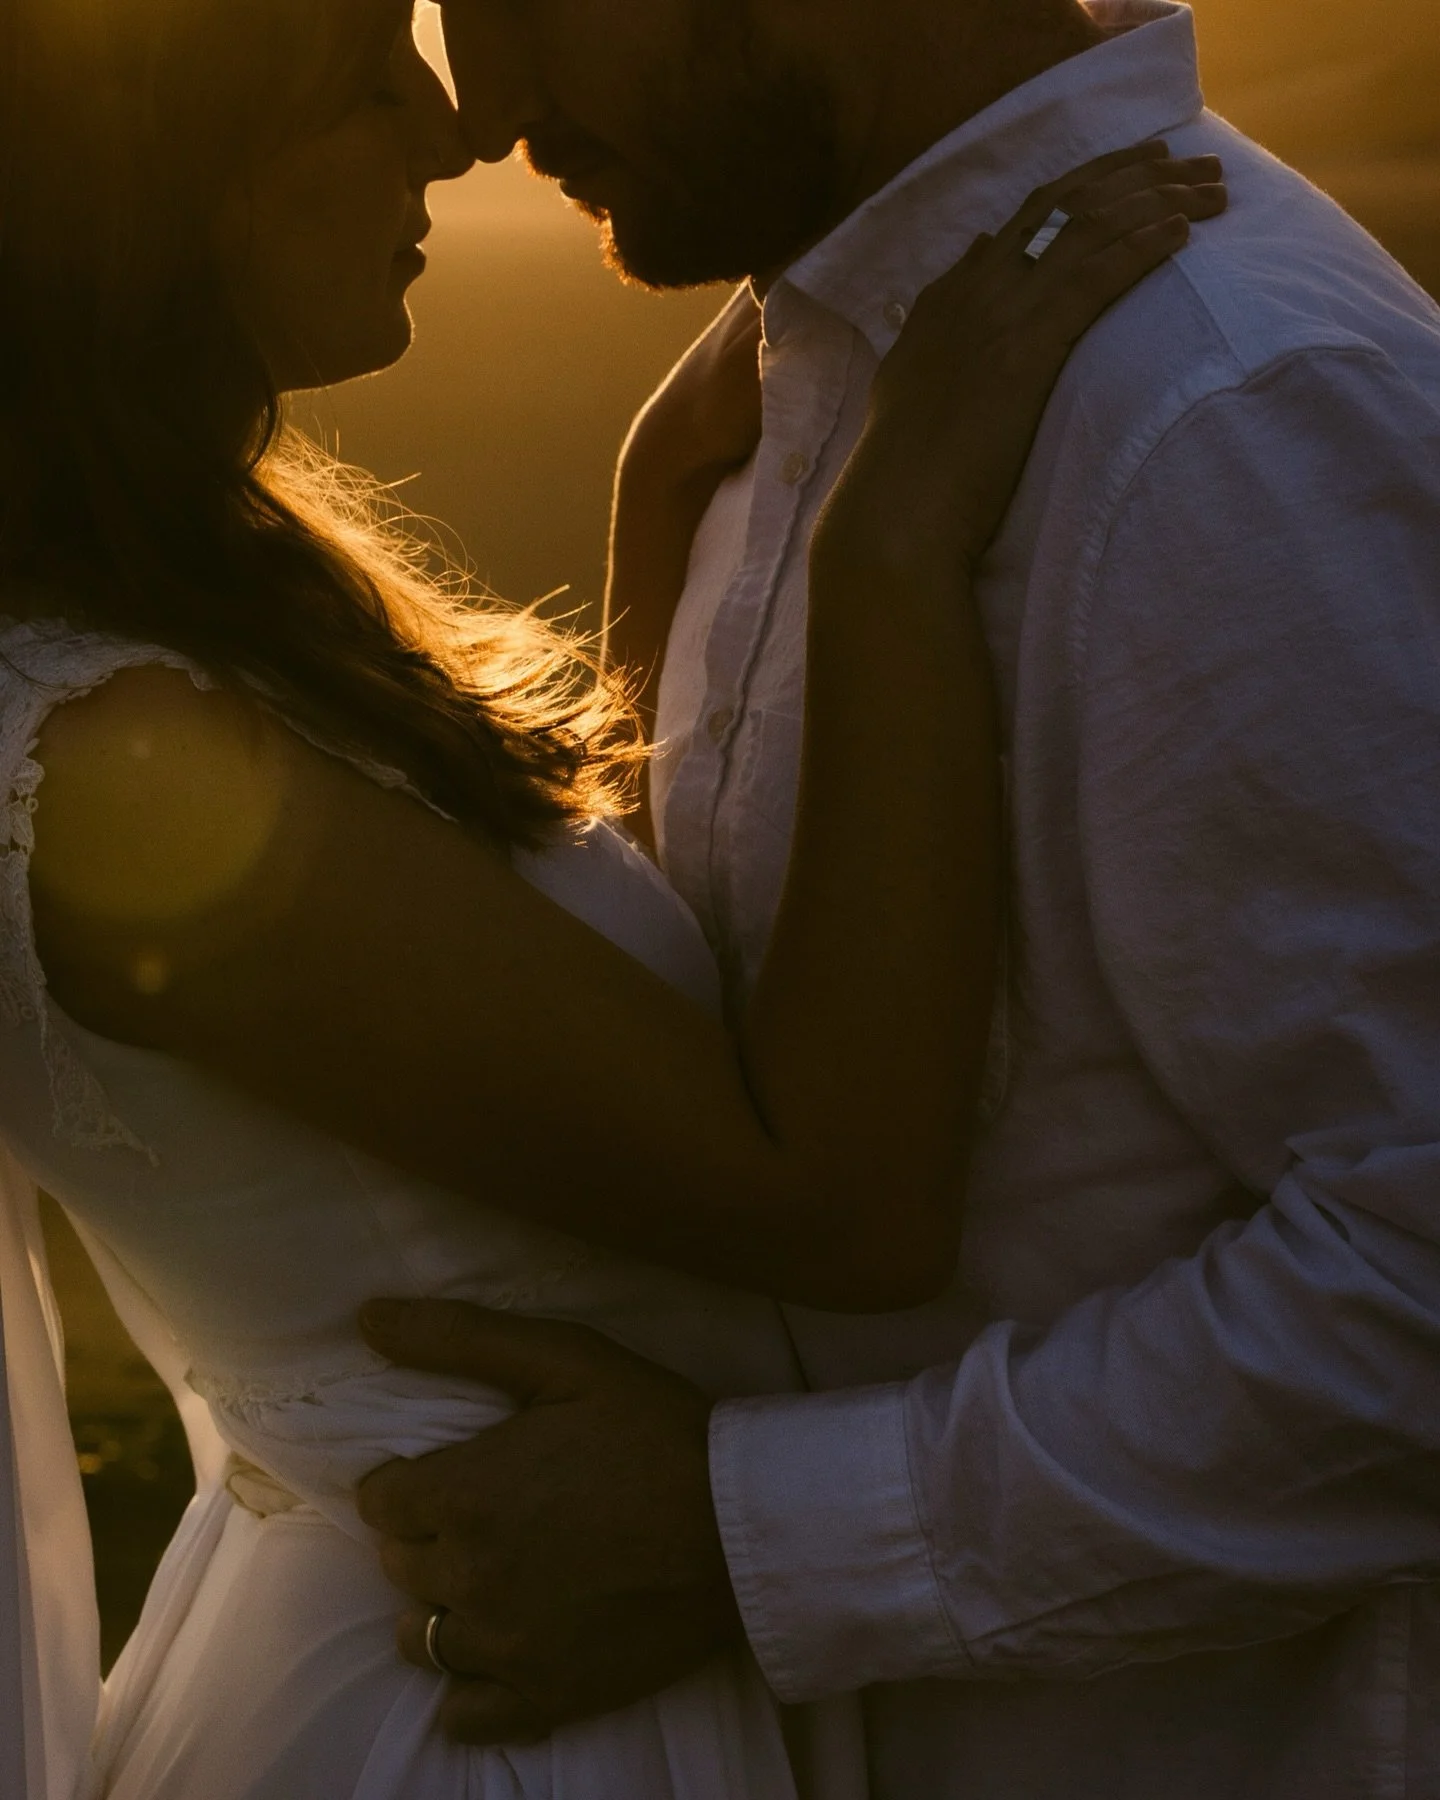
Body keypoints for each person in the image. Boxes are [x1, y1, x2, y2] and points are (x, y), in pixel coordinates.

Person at [0, 0, 1219, 1795]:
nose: (448, 131)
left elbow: (547, 991)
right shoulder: (115, 769)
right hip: (470, 1714)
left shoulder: (192, 602)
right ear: (170, 180)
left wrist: (666, 502)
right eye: (365, 73)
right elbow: (839, 1196)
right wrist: (891, 544)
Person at [353, 0, 1440, 1795]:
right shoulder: (820, 380)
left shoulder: (1220, 407)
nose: (492, 107)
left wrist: (750, 1537)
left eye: (531, 4)